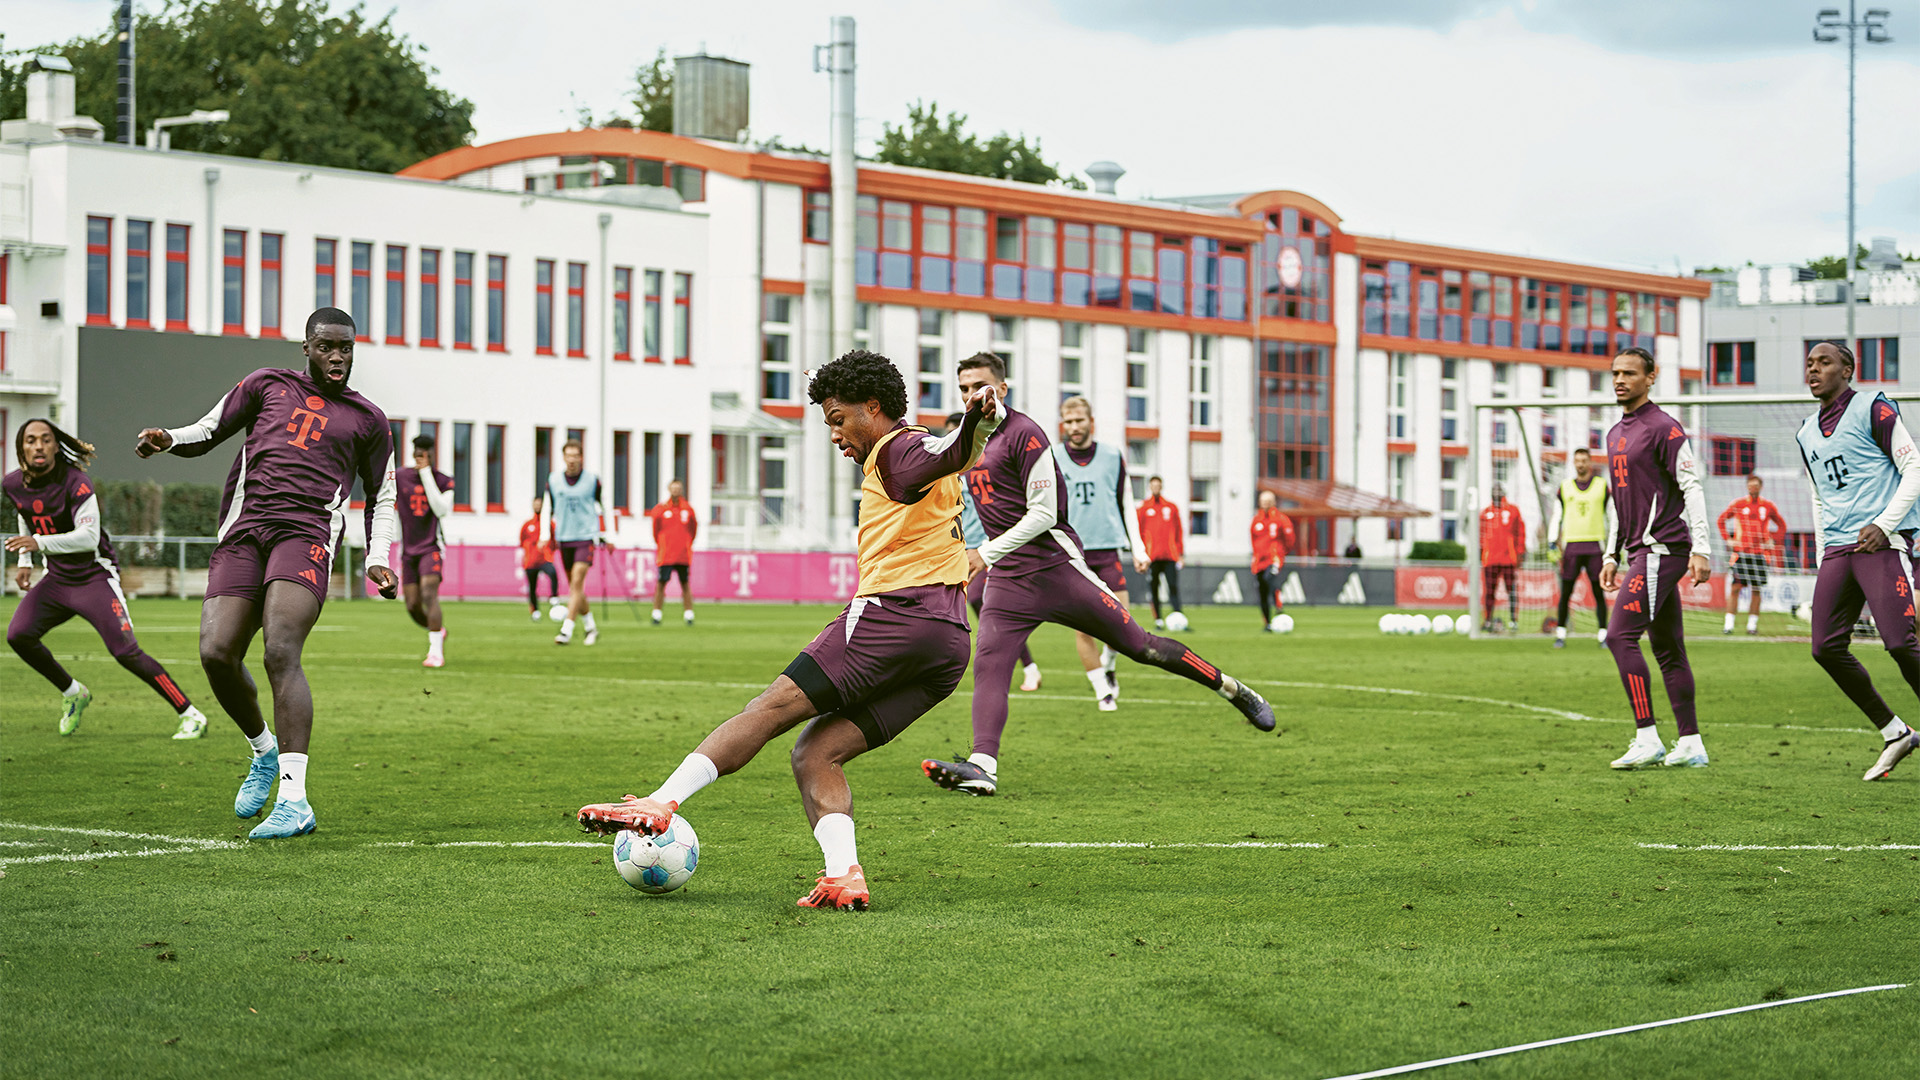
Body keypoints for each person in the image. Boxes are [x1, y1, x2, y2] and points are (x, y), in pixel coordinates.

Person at [577, 350, 1000, 911]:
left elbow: (950, 452)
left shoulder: (898, 450)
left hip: (896, 616)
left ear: (873, 408)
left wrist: (975, 422)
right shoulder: (908, 449)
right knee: (815, 752)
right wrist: (971, 428)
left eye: (837, 418)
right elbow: (949, 456)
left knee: (771, 706)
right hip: (947, 644)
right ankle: (844, 873)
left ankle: (660, 802)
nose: (835, 434)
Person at [922, 353, 1275, 798]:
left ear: (1003, 389)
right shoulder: (964, 438)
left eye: (981, 386)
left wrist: (984, 553)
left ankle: (1232, 688)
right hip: (1010, 582)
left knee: (1141, 647)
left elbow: (1044, 514)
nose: (973, 396)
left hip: (1057, 569)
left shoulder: (1025, 434)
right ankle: (982, 767)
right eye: (965, 389)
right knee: (990, 667)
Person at [135, 307, 399, 839]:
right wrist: (169, 438)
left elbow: (383, 496)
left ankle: (294, 799)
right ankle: (262, 749)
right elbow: (208, 431)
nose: (338, 356)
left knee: (280, 649)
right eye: (327, 346)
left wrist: (378, 558)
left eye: (346, 347)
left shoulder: (369, 419)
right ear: (306, 347)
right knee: (215, 652)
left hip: (305, 536)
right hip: (245, 530)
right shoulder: (265, 384)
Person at [6, 419, 208, 740]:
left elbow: (87, 538)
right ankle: (74, 692)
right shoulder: (13, 484)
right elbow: (24, 512)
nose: (38, 445)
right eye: (30, 440)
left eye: (45, 439)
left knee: (126, 652)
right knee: (18, 635)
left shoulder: (77, 482)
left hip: (94, 579)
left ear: (57, 446)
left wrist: (38, 544)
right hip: (56, 581)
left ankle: (190, 713)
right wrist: (24, 561)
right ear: (22, 448)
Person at [1795, 341, 1920, 781]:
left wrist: (1885, 524)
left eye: (1824, 362)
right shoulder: (1806, 430)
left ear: (1847, 369)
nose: (1814, 370)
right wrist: (1820, 549)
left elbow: (1915, 469)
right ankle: (1895, 731)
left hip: (1880, 544)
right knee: (1825, 647)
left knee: (1902, 643)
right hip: (1837, 549)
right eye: (1809, 363)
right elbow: (1817, 494)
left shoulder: (1874, 408)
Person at [1598, 346, 1712, 770]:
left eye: (1629, 372)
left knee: (1618, 636)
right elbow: (1618, 500)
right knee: (1667, 648)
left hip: (1664, 548)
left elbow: (1692, 486)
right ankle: (1691, 743)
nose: (1620, 380)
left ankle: (1647, 737)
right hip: (1640, 551)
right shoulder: (1613, 433)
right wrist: (1611, 553)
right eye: (1615, 373)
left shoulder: (1664, 428)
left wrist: (1702, 547)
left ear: (1651, 377)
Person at [1051, 395, 1147, 710]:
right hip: (1072, 554)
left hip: (1107, 550)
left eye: (1080, 421)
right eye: (1069, 421)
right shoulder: (1051, 457)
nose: (1074, 427)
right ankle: (1101, 691)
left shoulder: (1111, 456)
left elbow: (1126, 502)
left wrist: (1138, 548)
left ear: (1091, 422)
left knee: (1122, 621)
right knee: (1085, 625)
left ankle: (1108, 665)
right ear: (1063, 424)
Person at [947, 411, 1041, 693]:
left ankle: (1027, 668)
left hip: (990, 548)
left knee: (983, 603)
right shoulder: (950, 472)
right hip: (960, 550)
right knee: (970, 608)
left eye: (958, 433)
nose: (954, 440)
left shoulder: (986, 463)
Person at [541, 439, 610, 646]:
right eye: (568, 455)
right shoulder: (554, 480)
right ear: (563, 457)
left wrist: (608, 535)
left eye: (575, 455)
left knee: (577, 582)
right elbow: (547, 507)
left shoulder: (592, 480)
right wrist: (545, 535)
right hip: (564, 537)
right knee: (575, 588)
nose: (572, 460)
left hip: (585, 537)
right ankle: (590, 627)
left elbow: (604, 505)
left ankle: (566, 630)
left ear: (581, 457)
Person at [394, 434, 452, 668]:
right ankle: (437, 629)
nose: (421, 456)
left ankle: (435, 652)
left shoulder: (443, 480)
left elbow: (441, 509)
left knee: (429, 593)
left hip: (431, 546)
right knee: (412, 604)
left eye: (425, 452)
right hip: (408, 549)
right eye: (418, 452)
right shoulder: (400, 477)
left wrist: (426, 474)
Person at [1547, 447, 1614, 649]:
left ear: (1590, 462)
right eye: (1577, 460)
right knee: (1566, 592)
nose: (1581, 464)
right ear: (1574, 463)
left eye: (1584, 460)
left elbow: (1612, 516)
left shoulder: (1602, 486)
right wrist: (1552, 541)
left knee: (1598, 592)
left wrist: (1614, 545)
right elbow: (1557, 515)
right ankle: (1560, 634)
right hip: (1572, 546)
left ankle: (1603, 635)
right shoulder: (1565, 487)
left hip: (1595, 545)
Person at [1717, 474, 1787, 636]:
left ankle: (1752, 626)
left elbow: (1782, 526)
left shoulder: (1768, 506)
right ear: (1747, 487)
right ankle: (1728, 625)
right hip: (1741, 553)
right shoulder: (1739, 504)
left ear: (1760, 487)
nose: (1753, 489)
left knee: (1756, 589)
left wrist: (1773, 540)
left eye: (1755, 486)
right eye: (1750, 486)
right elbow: (1721, 520)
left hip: (1760, 554)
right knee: (1735, 588)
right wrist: (1728, 539)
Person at [647, 478, 698, 627]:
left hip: (682, 554)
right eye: (673, 488)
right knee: (661, 583)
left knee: (685, 583)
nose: (675, 491)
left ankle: (689, 614)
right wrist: (662, 544)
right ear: (669, 489)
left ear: (681, 490)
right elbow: (655, 530)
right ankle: (656, 614)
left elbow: (693, 530)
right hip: (666, 554)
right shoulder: (661, 509)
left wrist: (686, 543)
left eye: (678, 488)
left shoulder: (688, 509)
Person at [1136, 476, 1184, 628]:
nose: (1156, 488)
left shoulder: (1171, 507)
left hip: (1169, 556)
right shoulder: (1143, 508)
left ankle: (1179, 618)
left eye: (1158, 486)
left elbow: (1178, 531)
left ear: (1161, 487)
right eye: (1153, 486)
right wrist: (1139, 555)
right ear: (1150, 487)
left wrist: (1180, 554)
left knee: (1173, 586)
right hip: (1152, 557)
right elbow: (1138, 532)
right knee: (1154, 588)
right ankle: (1158, 620)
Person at [1478, 482, 1525, 633]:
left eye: (1499, 490)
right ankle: (1488, 620)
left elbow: (1520, 533)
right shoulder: (1485, 512)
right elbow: (1480, 535)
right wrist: (1481, 553)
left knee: (1511, 591)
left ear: (1504, 492)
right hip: (1490, 559)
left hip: (1508, 559)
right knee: (1489, 592)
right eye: (1494, 490)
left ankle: (1513, 621)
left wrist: (1520, 553)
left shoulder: (1512, 510)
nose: (1496, 492)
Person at [1251, 490, 1295, 630]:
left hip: (1273, 558)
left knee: (1270, 579)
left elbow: (1289, 539)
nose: (1265, 505)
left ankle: (1279, 606)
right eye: (1263, 502)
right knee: (1262, 590)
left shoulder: (1280, 519)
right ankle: (1267, 622)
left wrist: (1281, 553)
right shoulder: (1256, 520)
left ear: (1273, 503)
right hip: (1259, 561)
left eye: (1268, 502)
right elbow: (1253, 540)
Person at [518, 496, 560, 622]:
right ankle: (535, 610)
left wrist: (549, 550)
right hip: (530, 561)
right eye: (535, 504)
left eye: (539, 504)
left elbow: (555, 540)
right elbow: (522, 541)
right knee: (532, 587)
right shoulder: (527, 525)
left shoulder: (548, 524)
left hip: (544, 558)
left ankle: (553, 596)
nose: (537, 507)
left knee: (552, 573)